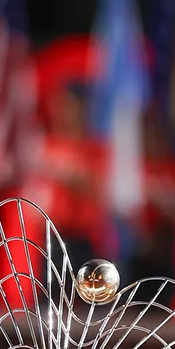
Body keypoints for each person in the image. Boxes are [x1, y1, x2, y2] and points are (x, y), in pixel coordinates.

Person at [27, 84, 107, 267]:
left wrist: (70, 175)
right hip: (51, 236)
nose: (60, 112)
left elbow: (97, 187)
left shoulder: (94, 148)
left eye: (67, 106)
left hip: (83, 238)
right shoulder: (45, 144)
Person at [129, 112, 175, 304]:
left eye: (155, 136)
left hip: (164, 249)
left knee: (163, 305)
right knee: (135, 305)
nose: (151, 142)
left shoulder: (173, 170)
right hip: (137, 250)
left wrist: (161, 200)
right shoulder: (134, 169)